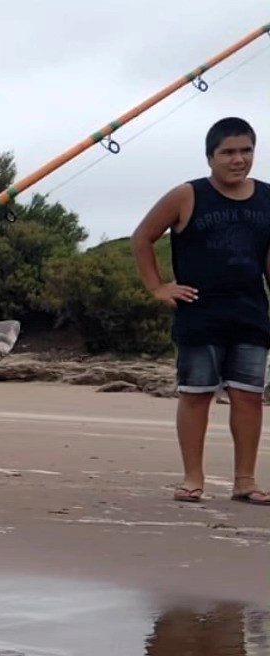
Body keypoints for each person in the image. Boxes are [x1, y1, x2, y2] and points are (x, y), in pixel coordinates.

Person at [131, 115, 270, 506]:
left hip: (251, 314)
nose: (237, 159)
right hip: (199, 312)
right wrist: (157, 286)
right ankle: (193, 478)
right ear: (211, 157)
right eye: (228, 152)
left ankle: (245, 480)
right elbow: (142, 236)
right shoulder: (187, 195)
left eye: (245, 150)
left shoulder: (267, 198)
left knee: (249, 397)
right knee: (196, 395)